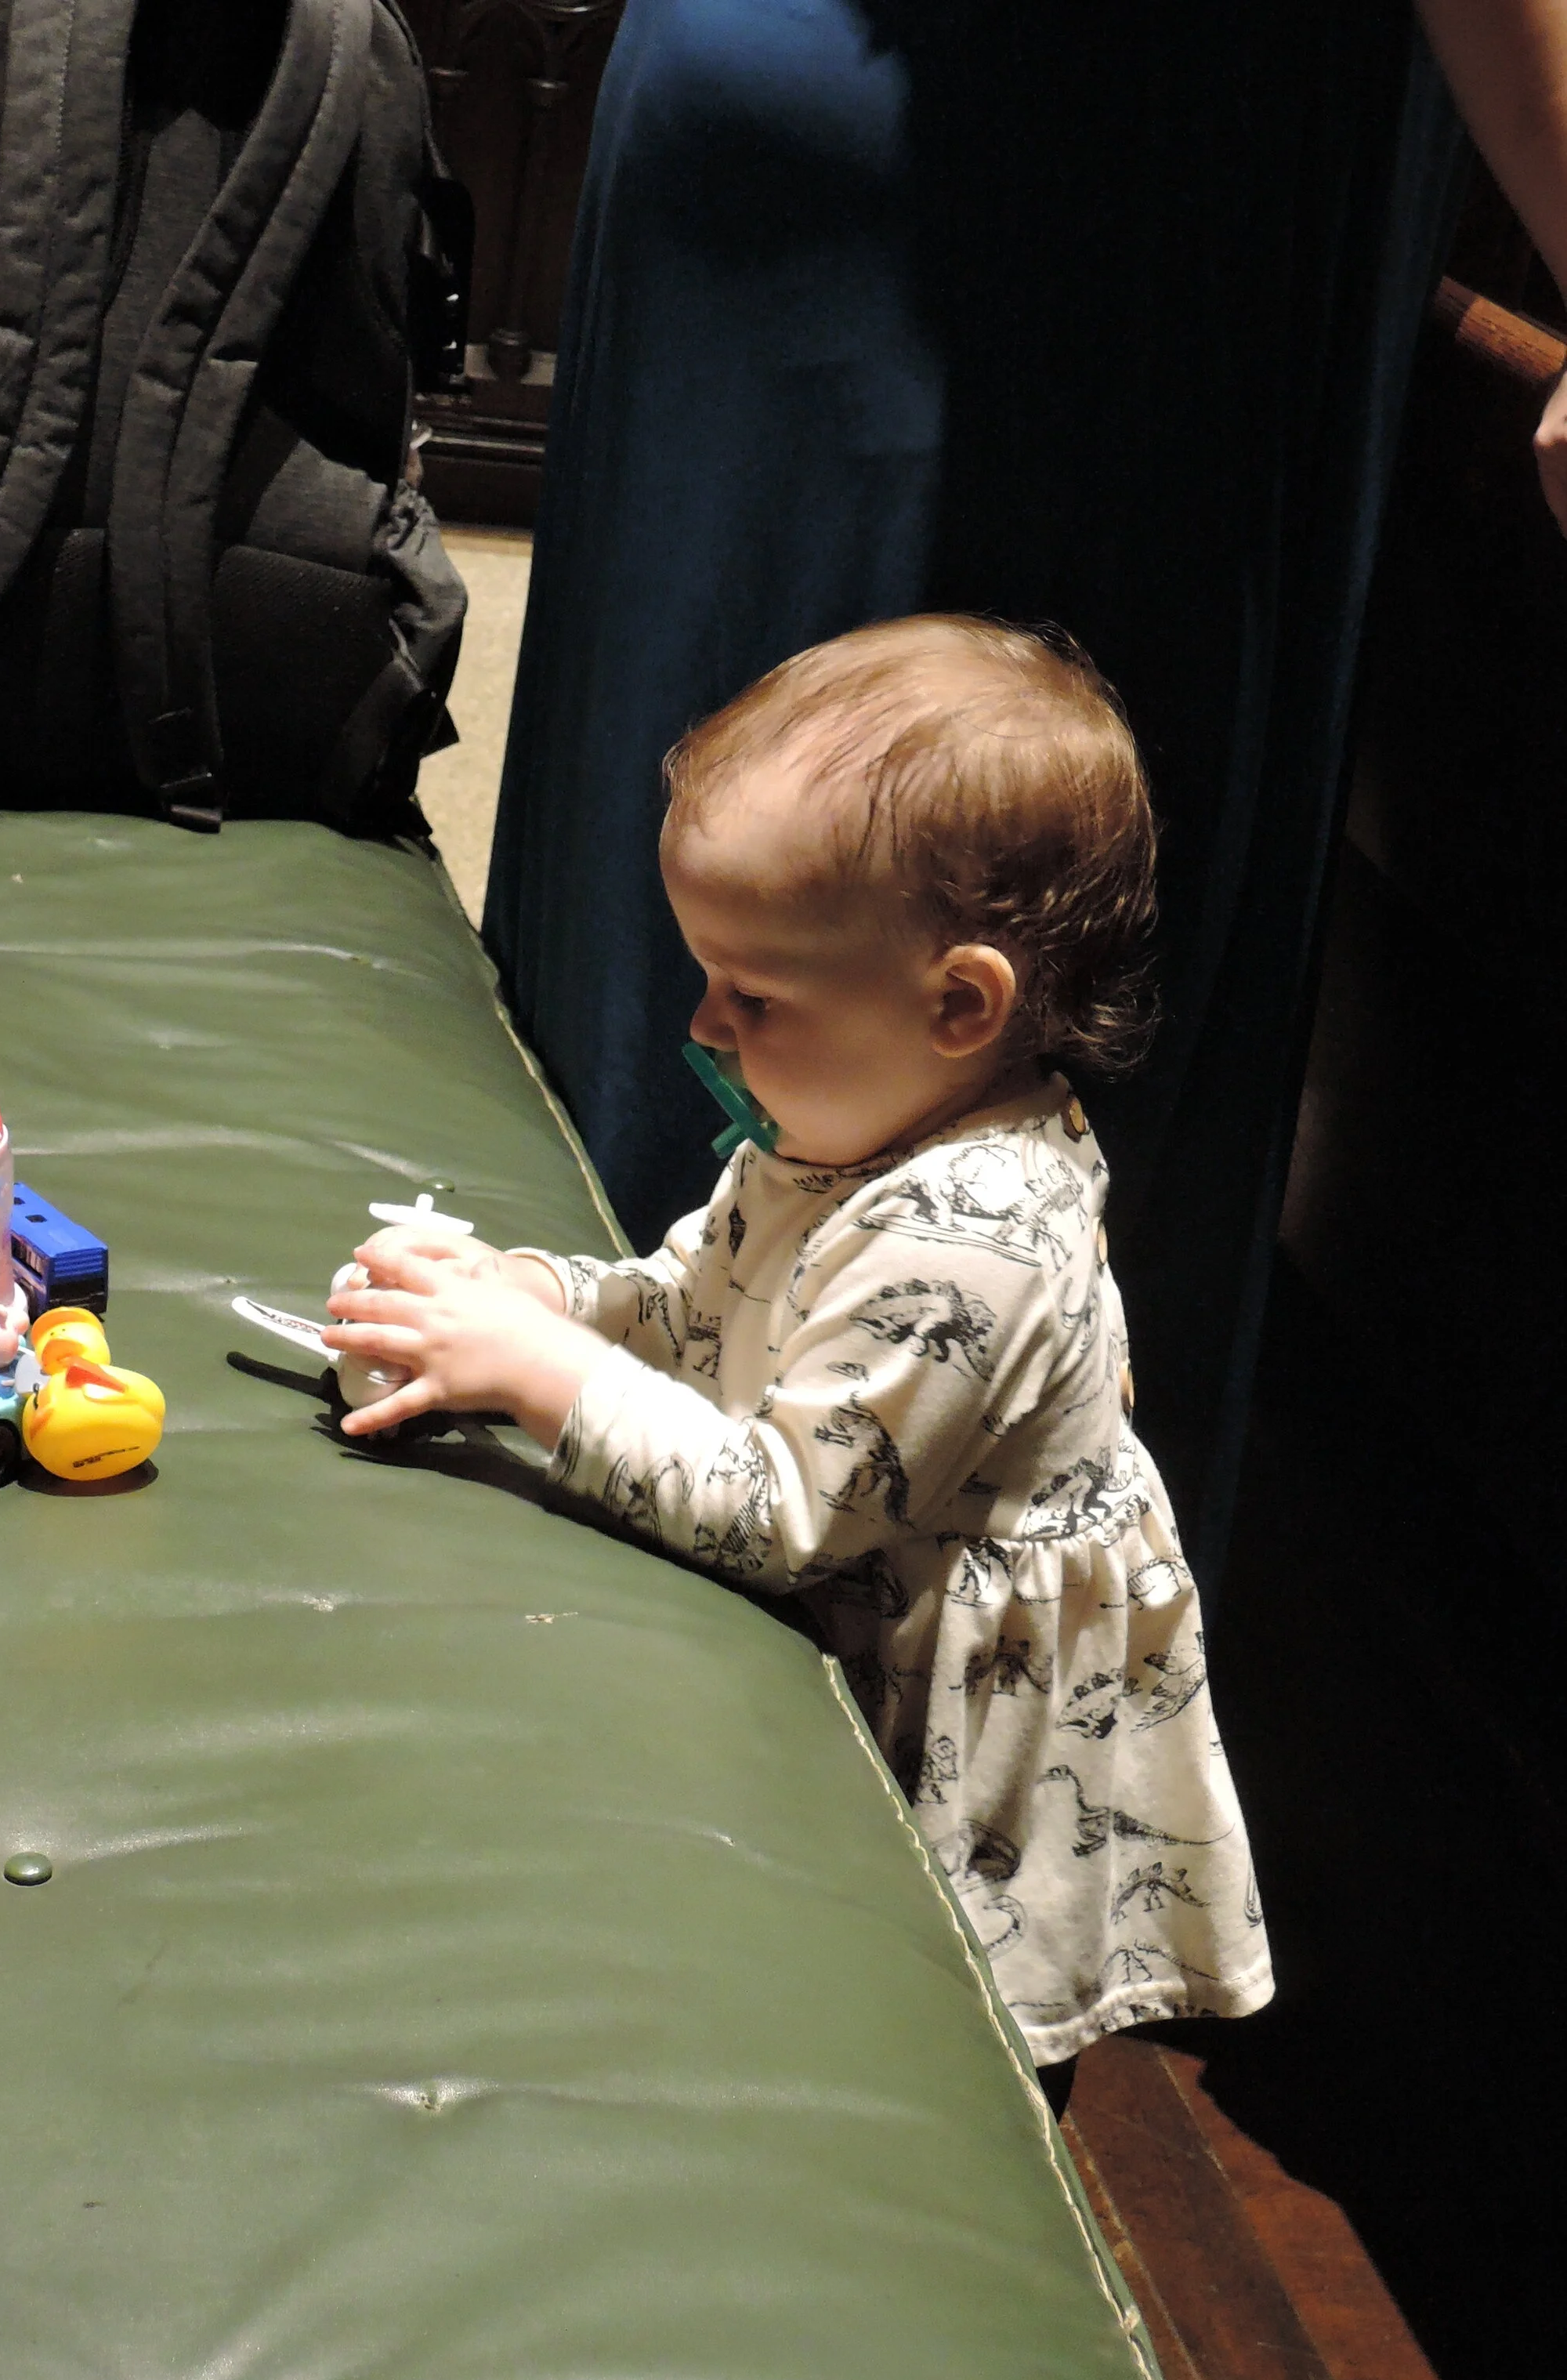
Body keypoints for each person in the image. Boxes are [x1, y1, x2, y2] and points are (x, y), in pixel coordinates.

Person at [480, 0, 1567, 1596]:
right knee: (814, 896)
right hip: (1092, 207)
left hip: (794, 137)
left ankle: (587, 1504)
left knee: (794, 934)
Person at [328, 617, 1272, 2079]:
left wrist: (533, 1373)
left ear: (961, 1005)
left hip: (964, 1723)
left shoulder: (981, 1234)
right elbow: (697, 1305)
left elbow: (782, 1515)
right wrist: (531, 1297)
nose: (703, 1020)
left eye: (752, 993)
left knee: (923, 2040)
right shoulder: (848, 1122)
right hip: (868, 1604)